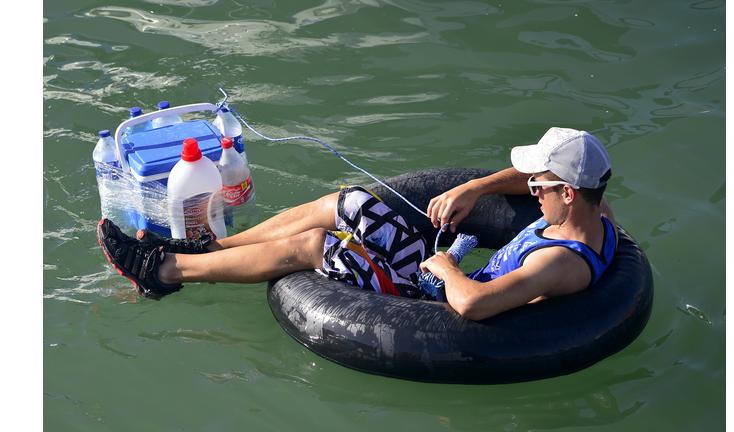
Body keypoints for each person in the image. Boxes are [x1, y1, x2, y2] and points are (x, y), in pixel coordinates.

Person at [97, 127, 617, 321]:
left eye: (539, 189)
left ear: (568, 194)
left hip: (431, 297)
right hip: (438, 274)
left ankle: (163, 271)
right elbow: (534, 174)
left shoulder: (557, 263)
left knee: (314, 246)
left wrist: (446, 267)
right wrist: (475, 187)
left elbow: (473, 304)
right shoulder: (596, 212)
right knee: (348, 204)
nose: (531, 191)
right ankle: (212, 246)